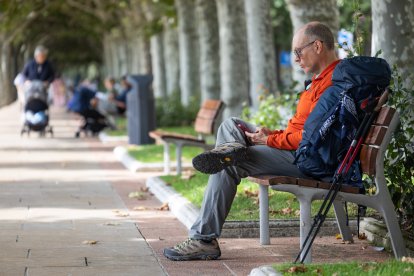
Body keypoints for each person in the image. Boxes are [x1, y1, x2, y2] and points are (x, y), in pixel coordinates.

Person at [163, 21, 340, 261]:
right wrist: (272, 135)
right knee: (232, 124)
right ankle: (231, 150)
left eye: (298, 51)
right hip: (299, 151)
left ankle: (203, 239)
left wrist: (271, 141)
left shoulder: (333, 85)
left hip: (310, 161)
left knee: (230, 163)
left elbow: (312, 139)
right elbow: (307, 130)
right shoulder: (322, 80)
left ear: (317, 46)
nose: (296, 58)